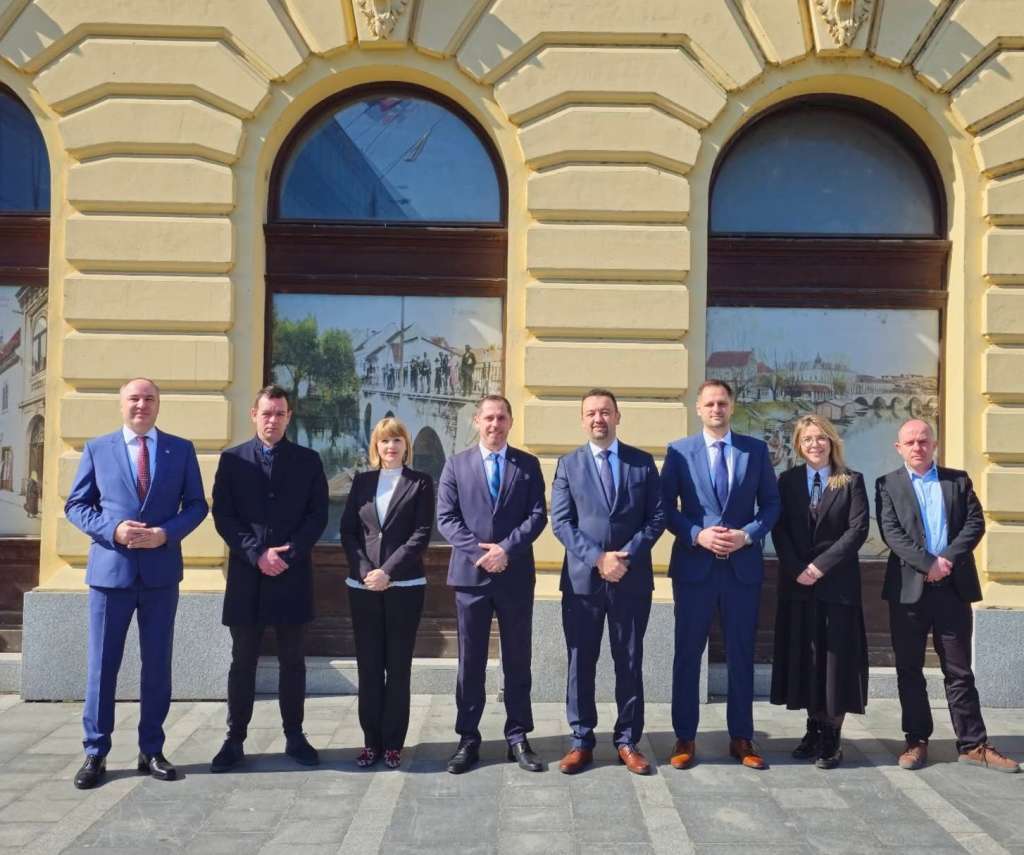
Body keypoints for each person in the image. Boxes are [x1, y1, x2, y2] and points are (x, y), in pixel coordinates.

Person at [65, 377, 208, 789]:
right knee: (102, 667)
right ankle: (96, 751)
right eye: (134, 398)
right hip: (111, 575)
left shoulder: (180, 449)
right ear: (121, 404)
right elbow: (76, 505)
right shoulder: (98, 449)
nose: (141, 405)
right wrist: (113, 530)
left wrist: (166, 534)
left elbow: (197, 505)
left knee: (157, 665)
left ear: (158, 405)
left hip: (161, 575)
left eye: (149, 398)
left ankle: (152, 749)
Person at [876, 419, 1019, 773]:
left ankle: (973, 744)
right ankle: (916, 740)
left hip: (952, 588)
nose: (918, 447)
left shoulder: (958, 480)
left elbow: (975, 523)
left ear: (934, 444)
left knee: (959, 670)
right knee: (909, 669)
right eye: (910, 442)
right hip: (908, 592)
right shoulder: (887, 485)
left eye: (924, 440)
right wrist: (928, 563)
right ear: (898, 448)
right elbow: (891, 533)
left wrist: (946, 561)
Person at [660, 379, 781, 770]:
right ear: (698, 408)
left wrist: (747, 535)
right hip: (694, 569)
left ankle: (741, 737)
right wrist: (697, 534)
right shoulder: (679, 452)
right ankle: (684, 736)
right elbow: (665, 508)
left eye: (722, 403)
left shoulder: (755, 451)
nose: (716, 409)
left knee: (741, 653)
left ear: (732, 407)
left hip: (741, 570)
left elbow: (772, 505)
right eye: (710, 404)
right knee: (687, 653)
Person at [209, 385, 329, 772]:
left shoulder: (308, 461)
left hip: (292, 576)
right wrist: (256, 553)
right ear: (254, 415)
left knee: (293, 661)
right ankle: (234, 739)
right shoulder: (232, 460)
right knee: (242, 661)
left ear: (289, 417)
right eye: (266, 413)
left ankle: (295, 735)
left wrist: (288, 554)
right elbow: (224, 515)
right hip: (248, 577)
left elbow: (317, 516)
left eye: (279, 414)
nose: (272, 420)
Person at [551, 389, 665, 775]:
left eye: (605, 412)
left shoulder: (642, 463)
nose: (598, 419)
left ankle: (627, 740)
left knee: (629, 661)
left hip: (631, 580)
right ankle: (581, 741)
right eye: (591, 413)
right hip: (583, 582)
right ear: (582, 420)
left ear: (618, 416)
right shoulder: (568, 464)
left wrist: (624, 557)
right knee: (580, 661)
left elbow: (657, 517)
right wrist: (599, 559)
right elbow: (561, 522)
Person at [436, 394, 547, 774]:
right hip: (471, 577)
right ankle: (468, 737)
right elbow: (446, 518)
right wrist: (480, 553)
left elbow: (537, 515)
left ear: (510, 422)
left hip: (514, 576)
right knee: (471, 661)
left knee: (517, 658)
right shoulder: (456, 465)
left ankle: (518, 735)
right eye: (488, 418)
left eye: (501, 418)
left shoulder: (527, 465)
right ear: (477, 422)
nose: (495, 424)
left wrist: (506, 549)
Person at [770, 415, 869, 769]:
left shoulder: (851, 481)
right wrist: (797, 568)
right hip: (798, 586)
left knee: (835, 662)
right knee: (807, 659)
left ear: (832, 442)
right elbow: (779, 529)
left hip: (837, 587)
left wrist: (819, 567)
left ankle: (832, 735)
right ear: (799, 445)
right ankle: (813, 728)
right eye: (808, 439)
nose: (815, 444)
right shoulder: (787, 481)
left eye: (821, 438)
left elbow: (857, 531)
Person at [340, 417, 434, 769]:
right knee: (368, 667)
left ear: (406, 445)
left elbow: (421, 534)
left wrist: (388, 572)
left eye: (396, 440)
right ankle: (371, 742)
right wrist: (366, 571)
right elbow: (348, 531)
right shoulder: (362, 482)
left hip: (404, 586)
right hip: (363, 587)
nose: (390, 446)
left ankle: (393, 743)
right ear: (375, 446)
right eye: (384, 441)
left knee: (397, 667)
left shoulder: (420, 482)